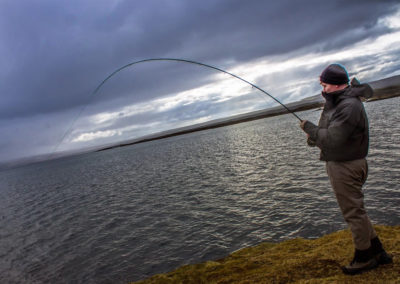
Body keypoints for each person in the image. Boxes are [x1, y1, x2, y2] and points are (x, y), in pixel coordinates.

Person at [299, 64, 392, 275]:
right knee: (357, 210)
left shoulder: (347, 105)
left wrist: (309, 128)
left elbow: (334, 139)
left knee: (353, 212)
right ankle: (377, 251)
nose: (322, 87)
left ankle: (364, 257)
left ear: (335, 84)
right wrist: (315, 138)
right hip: (347, 161)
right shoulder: (340, 101)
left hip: (345, 166)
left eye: (324, 83)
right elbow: (332, 133)